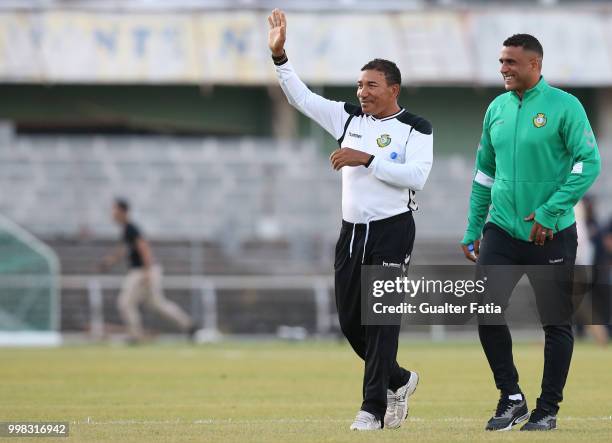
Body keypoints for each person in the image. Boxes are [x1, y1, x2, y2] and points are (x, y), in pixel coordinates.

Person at [267, 9, 433, 431]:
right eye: (359, 85)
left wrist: (368, 158)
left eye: (371, 85)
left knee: (381, 322)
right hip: (350, 233)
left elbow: (417, 177)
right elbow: (301, 98)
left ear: (393, 89)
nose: (362, 92)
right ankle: (399, 379)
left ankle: (372, 410)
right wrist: (281, 57)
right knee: (349, 323)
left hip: (393, 232)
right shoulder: (348, 119)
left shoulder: (416, 128)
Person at [460, 34, 601, 431]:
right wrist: (474, 226)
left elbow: (587, 164)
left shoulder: (565, 106)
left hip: (552, 233)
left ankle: (547, 409)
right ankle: (511, 397)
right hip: (501, 230)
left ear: (535, 65)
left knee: (555, 324)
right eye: (501, 61)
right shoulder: (496, 109)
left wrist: (550, 211)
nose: (503, 68)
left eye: (511, 62)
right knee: (485, 310)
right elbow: (484, 174)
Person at [99, 198, 196, 343]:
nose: (112, 213)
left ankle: (135, 335)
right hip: (145, 270)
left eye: (114, 209)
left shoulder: (132, 228)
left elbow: (144, 248)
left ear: (122, 211)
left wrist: (147, 271)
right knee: (156, 303)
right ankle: (189, 325)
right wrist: (110, 261)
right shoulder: (126, 230)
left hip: (142, 271)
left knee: (125, 303)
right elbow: (123, 250)